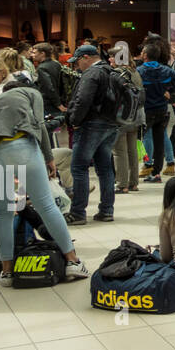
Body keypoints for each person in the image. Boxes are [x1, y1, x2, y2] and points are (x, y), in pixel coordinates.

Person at [0, 56, 89, 286]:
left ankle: (6, 272)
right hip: (19, 146)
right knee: (46, 205)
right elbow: (38, 127)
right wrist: (48, 158)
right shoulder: (31, 94)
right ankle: (73, 261)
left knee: (4, 213)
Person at [63, 45, 121, 224]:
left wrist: (74, 120)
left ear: (86, 57)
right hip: (111, 124)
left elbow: (83, 100)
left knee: (79, 168)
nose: (77, 66)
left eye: (78, 62)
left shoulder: (91, 74)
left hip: (91, 125)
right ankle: (106, 211)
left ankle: (78, 213)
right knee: (105, 169)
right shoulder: (113, 72)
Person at [137, 43, 175, 184]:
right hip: (162, 110)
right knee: (160, 141)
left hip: (147, 110)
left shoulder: (140, 70)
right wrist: (171, 92)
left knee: (146, 138)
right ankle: (157, 173)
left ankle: (148, 165)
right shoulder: (165, 70)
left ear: (145, 55)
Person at [110, 44, 144, 194]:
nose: (109, 59)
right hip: (137, 114)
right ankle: (133, 183)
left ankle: (122, 184)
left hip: (122, 115)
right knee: (132, 150)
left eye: (112, 56)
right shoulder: (135, 71)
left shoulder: (117, 73)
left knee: (119, 151)